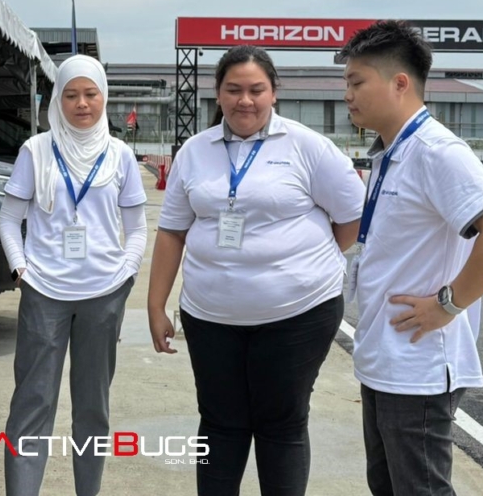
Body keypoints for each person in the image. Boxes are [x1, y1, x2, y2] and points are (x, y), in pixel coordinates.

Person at [148, 45, 366, 496]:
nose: (244, 100)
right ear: (217, 93)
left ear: (273, 93)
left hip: (298, 314)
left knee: (281, 423)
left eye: (256, 90)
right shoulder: (195, 151)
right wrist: (156, 305)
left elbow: (352, 218)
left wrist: (299, 262)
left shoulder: (307, 147)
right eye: (233, 90)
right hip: (210, 317)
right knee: (219, 422)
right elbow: (172, 231)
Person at [337, 20, 483, 496]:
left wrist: (448, 304)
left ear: (399, 83)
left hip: (417, 367)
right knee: (388, 485)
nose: (348, 95)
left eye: (357, 82)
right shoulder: (391, 152)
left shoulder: (436, 151)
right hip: (386, 356)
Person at [0, 54, 147, 496]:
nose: (82, 104)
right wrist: (21, 268)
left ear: (104, 97)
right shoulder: (36, 151)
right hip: (44, 292)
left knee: (93, 408)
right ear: (58, 100)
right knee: (33, 402)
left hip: (104, 294)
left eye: (90, 94)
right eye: (71, 95)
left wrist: (126, 273)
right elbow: (9, 218)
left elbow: (138, 228)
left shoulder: (119, 155)